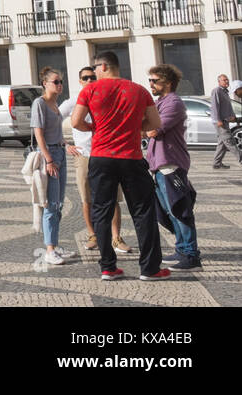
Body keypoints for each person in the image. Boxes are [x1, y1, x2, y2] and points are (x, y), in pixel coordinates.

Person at [69, 51, 168, 282]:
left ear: (103, 66)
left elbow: (75, 121)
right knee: (143, 211)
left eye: (95, 69)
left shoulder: (90, 90)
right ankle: (150, 269)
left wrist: (94, 128)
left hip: (101, 157)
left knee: (102, 211)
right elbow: (155, 123)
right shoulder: (139, 90)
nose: (93, 74)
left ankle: (108, 267)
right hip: (131, 158)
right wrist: (133, 127)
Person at [59, 66, 131, 253]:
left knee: (113, 198)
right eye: (86, 78)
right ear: (80, 81)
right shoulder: (73, 101)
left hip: (108, 153)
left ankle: (116, 237)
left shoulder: (107, 97)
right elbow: (52, 120)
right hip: (84, 155)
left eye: (92, 77)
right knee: (87, 198)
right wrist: (65, 144)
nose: (90, 81)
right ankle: (94, 235)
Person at [145, 64, 200, 271]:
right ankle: (181, 249)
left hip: (170, 164)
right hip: (159, 165)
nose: (150, 84)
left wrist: (143, 126)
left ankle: (191, 255)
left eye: (154, 80)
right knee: (167, 211)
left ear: (167, 83)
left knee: (179, 209)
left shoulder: (173, 103)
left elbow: (152, 130)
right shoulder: (161, 102)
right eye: (150, 80)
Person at [31, 67, 74, 266]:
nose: (59, 85)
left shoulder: (55, 104)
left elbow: (55, 132)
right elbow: (39, 134)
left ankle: (54, 246)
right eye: (56, 82)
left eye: (61, 82)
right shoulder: (39, 103)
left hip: (60, 152)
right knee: (51, 203)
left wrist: (66, 144)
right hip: (50, 155)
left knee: (60, 204)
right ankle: (49, 250)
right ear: (45, 84)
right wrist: (48, 159)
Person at [209, 73, 241, 170]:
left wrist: (233, 117)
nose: (226, 81)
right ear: (219, 82)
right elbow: (215, 106)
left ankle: (216, 163)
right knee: (230, 142)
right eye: (224, 80)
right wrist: (218, 120)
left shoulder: (225, 92)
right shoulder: (217, 91)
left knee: (222, 143)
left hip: (225, 121)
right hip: (220, 122)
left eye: (227, 79)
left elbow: (228, 107)